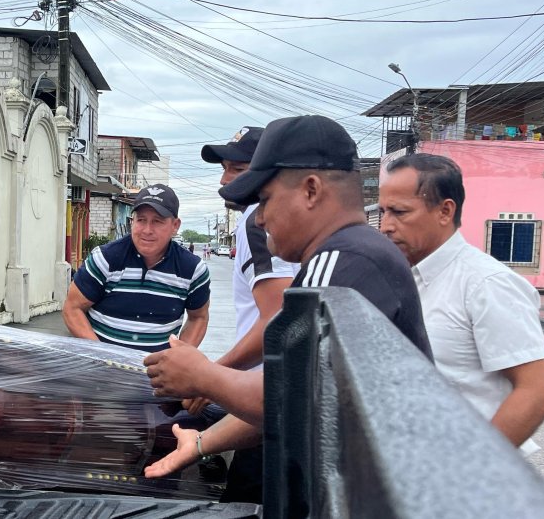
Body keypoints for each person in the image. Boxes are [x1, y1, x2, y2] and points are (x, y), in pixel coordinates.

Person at [141, 115, 432, 480]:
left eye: (265, 200)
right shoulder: (344, 256)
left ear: (311, 190)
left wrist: (203, 376)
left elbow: (296, 399)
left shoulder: (346, 260)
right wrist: (201, 443)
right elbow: (291, 397)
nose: (259, 219)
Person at [378, 153, 544, 454]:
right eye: (383, 212)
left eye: (399, 212)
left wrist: (472, 471)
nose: (385, 226)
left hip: (462, 482)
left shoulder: (486, 284)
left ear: (445, 211)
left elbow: (538, 391)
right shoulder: (404, 277)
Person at [193, 126, 300, 503]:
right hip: (275, 397)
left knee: (245, 504)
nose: (224, 181)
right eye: (224, 169)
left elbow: (278, 318)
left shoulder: (256, 221)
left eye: (237, 170)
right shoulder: (269, 220)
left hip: (267, 401)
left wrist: (212, 376)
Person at [62, 183, 211, 352]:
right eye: (141, 220)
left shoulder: (192, 270)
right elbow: (72, 308)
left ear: (175, 226)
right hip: (100, 371)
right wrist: (103, 357)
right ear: (132, 221)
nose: (147, 230)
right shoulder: (105, 259)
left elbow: (198, 317)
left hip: (158, 374)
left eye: (157, 221)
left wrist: (178, 357)